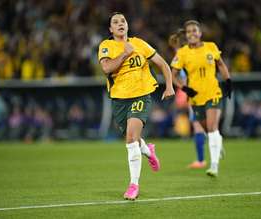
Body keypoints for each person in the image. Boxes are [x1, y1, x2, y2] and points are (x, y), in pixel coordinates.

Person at [98, 12, 175, 200]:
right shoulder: (106, 46)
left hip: (141, 95)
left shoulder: (139, 43)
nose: (120, 24)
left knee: (131, 139)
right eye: (115, 22)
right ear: (110, 29)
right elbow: (107, 68)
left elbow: (163, 64)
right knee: (132, 137)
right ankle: (149, 151)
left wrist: (170, 86)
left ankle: (134, 185)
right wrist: (125, 53)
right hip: (119, 100)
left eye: (122, 21)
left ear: (127, 25)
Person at [171, 20, 232, 177]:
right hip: (196, 98)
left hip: (213, 93)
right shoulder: (183, 53)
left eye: (195, 30)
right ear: (186, 35)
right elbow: (172, 76)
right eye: (189, 31)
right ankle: (218, 143)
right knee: (208, 130)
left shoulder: (211, 47)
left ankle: (213, 166)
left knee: (212, 128)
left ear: (200, 33)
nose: (192, 33)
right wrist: (185, 89)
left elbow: (221, 65)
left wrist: (228, 82)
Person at [169, 31, 207, 169]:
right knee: (199, 125)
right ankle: (202, 158)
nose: (174, 49)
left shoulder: (184, 57)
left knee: (199, 125)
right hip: (197, 93)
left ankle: (202, 159)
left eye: (175, 46)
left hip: (196, 94)